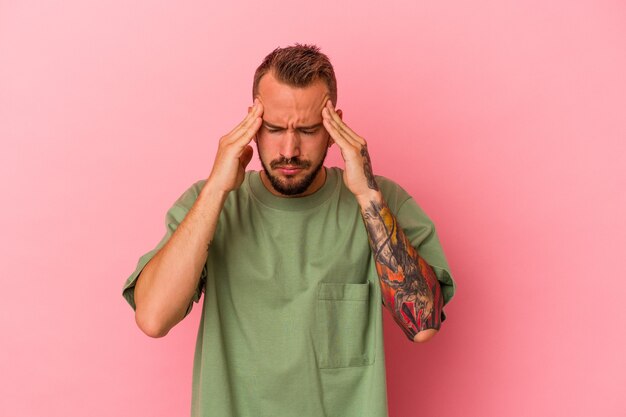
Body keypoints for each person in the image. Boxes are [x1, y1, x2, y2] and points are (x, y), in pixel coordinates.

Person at [122, 44, 455, 417]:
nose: (290, 149)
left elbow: (424, 324)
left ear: (335, 127)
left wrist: (366, 197)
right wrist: (216, 189)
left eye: (309, 130)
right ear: (253, 123)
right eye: (274, 128)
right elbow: (152, 318)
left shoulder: (380, 199)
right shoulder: (209, 204)